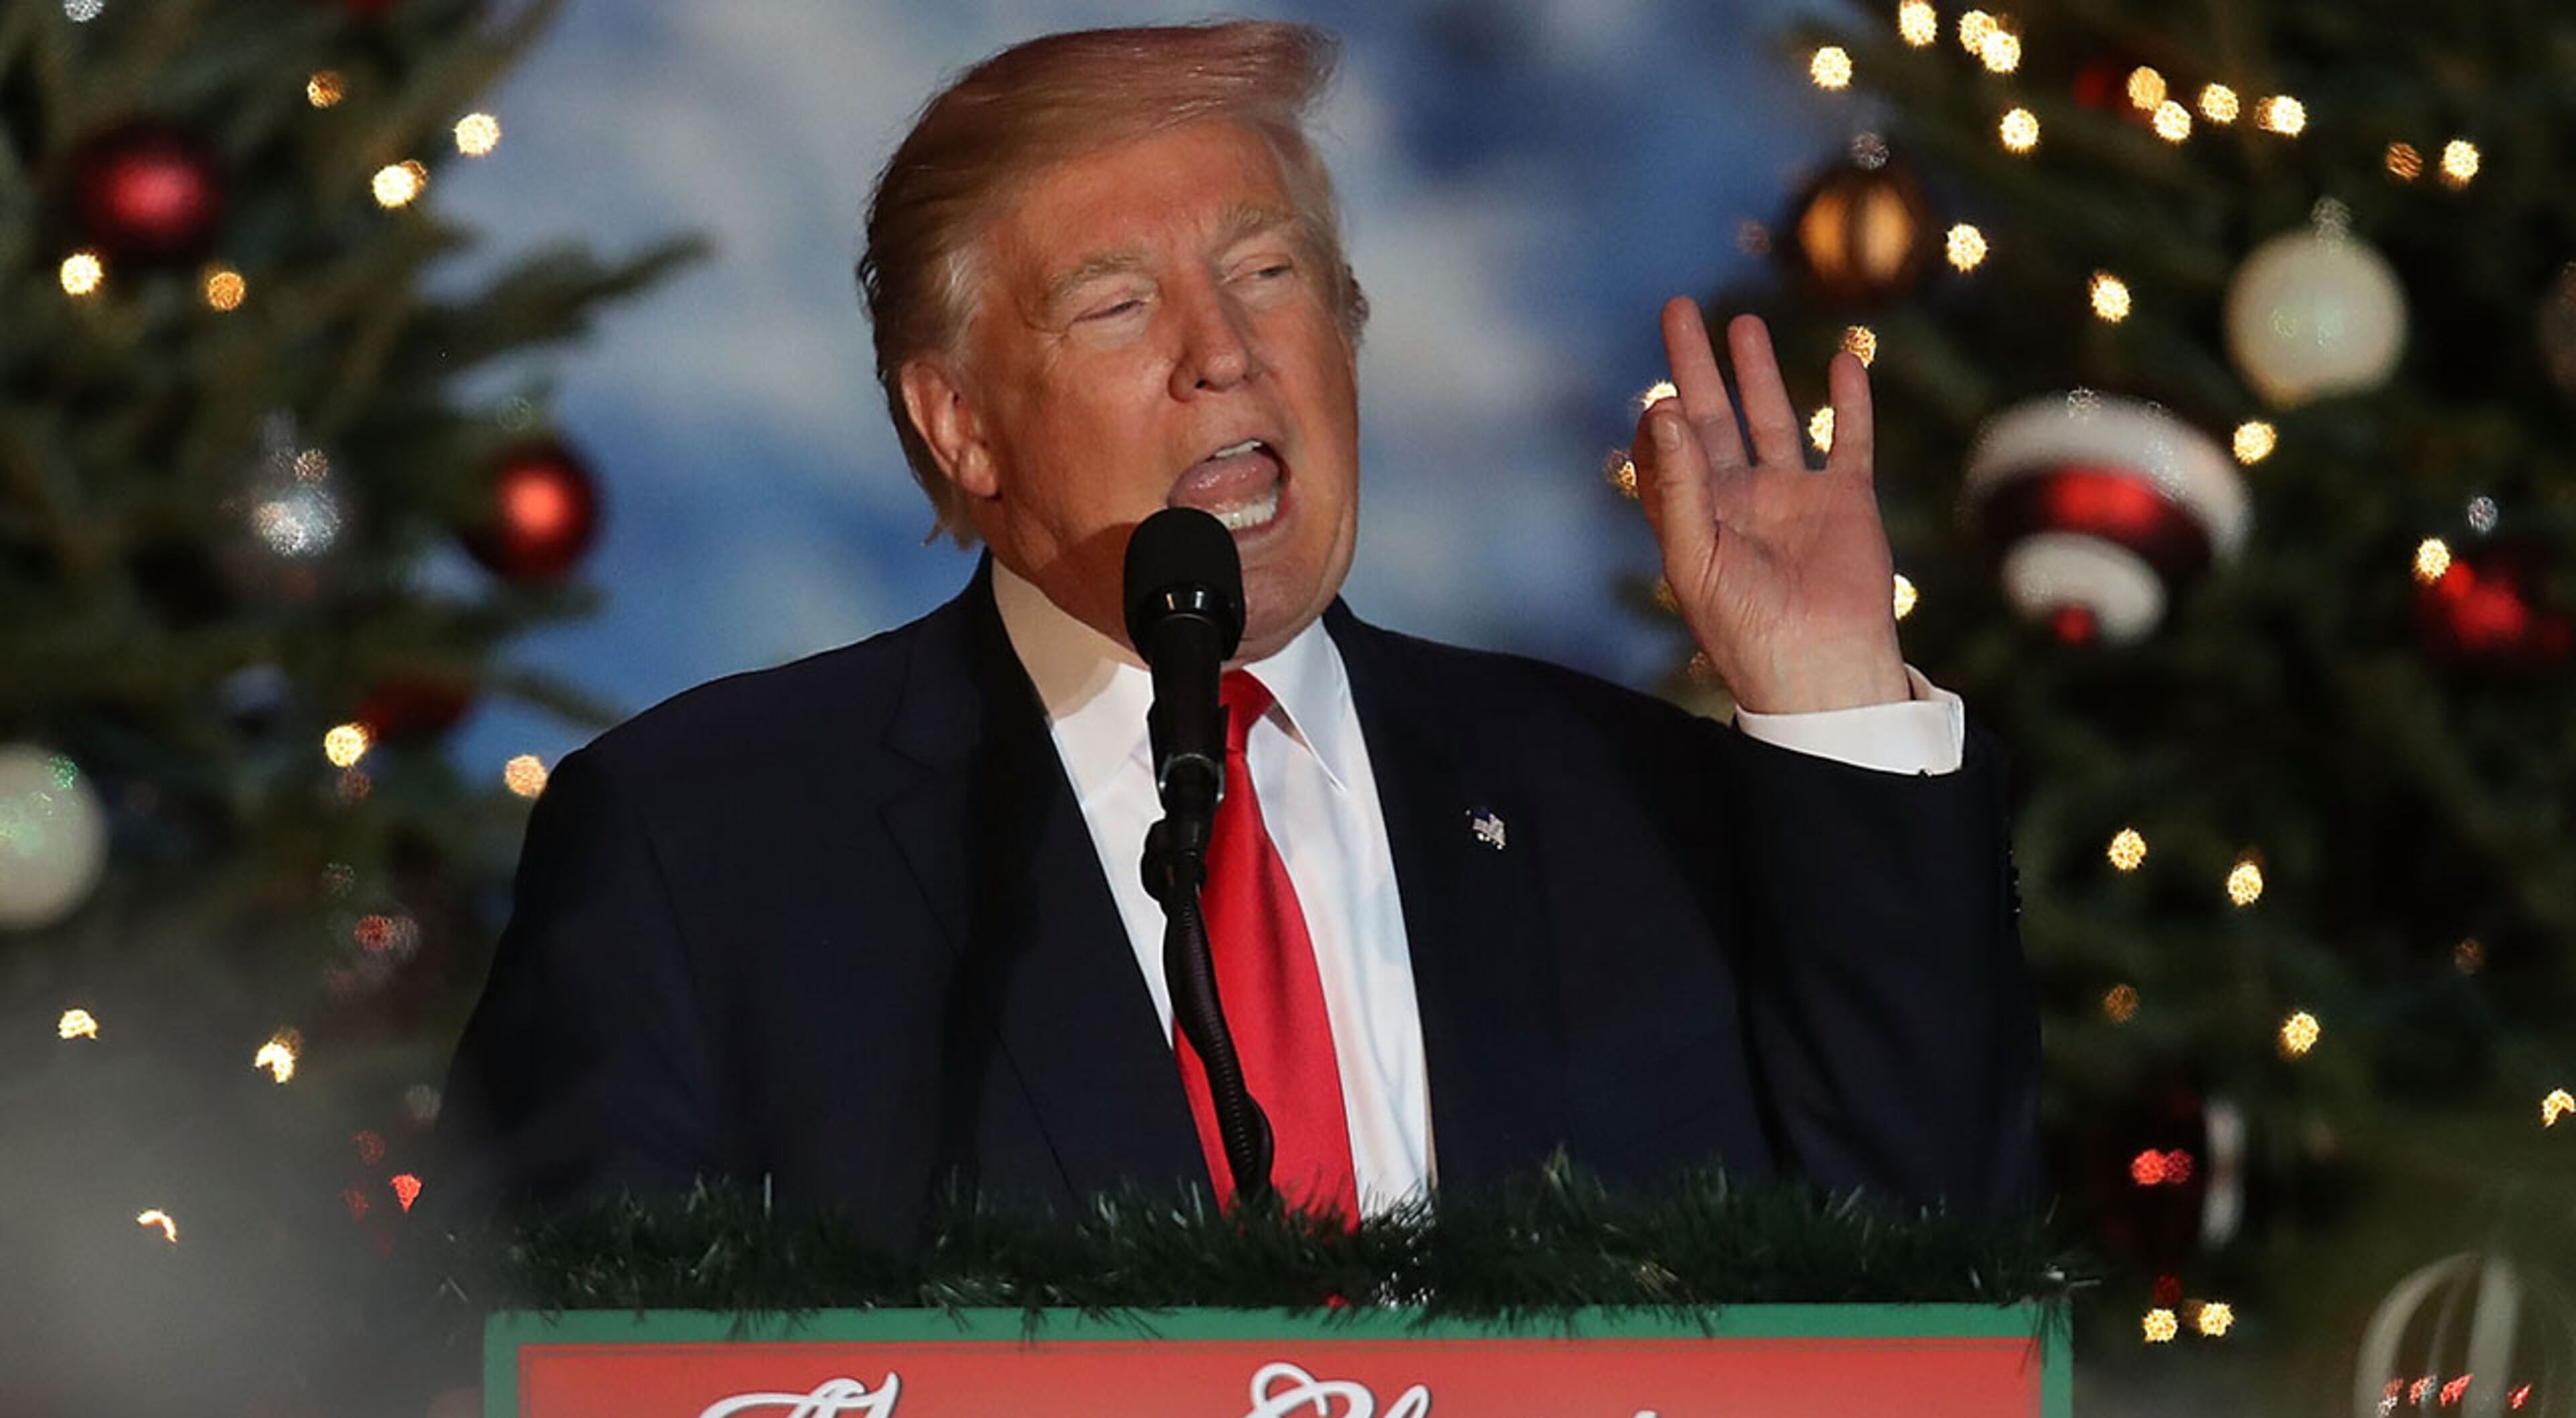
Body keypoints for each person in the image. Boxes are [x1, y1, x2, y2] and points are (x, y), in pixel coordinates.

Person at [437, 9, 2039, 1285]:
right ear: (961, 425)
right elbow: (569, 1371)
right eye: (1120, 308)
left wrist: (1831, 697)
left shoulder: (1634, 809)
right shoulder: (701, 846)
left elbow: (1923, 1288)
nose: (1227, 356)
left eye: (1271, 275)